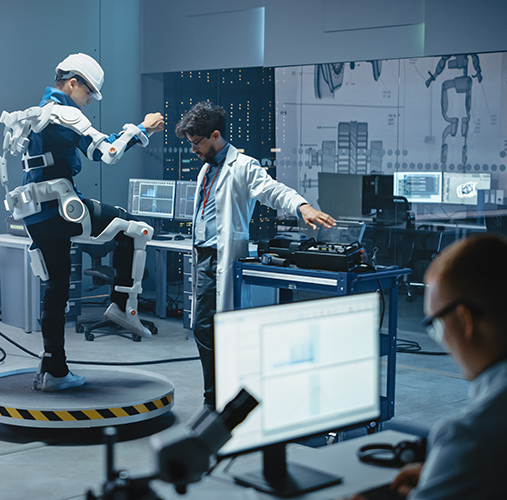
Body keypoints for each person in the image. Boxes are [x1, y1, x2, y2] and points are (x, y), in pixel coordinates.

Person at [174, 101, 335, 409]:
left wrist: (302, 207)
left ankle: (216, 400)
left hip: (222, 258)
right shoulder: (208, 168)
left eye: (197, 143)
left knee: (207, 328)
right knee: (207, 328)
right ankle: (220, 397)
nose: (193, 150)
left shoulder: (243, 166)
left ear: (216, 135)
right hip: (205, 257)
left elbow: (273, 191)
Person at [21, 53, 164, 391]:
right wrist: (143, 128)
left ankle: (54, 368)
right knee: (135, 229)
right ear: (73, 83)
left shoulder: (36, 115)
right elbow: (108, 153)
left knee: (56, 291)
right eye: (88, 94)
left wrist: (124, 134)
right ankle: (121, 307)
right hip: (60, 209)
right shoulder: (65, 114)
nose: (88, 103)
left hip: (35, 214)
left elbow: (95, 143)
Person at [350, 233, 507, 500]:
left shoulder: (470, 438)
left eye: (436, 325)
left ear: (464, 319)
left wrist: (457, 463)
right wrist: (447, 476)